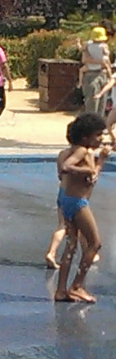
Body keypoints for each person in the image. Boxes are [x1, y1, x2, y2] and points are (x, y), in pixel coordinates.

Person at [54, 113, 110, 303]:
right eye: (98, 135)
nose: (101, 139)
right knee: (95, 243)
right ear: (85, 137)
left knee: (71, 244)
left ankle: (61, 289)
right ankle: (76, 285)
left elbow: (62, 174)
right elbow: (69, 169)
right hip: (77, 202)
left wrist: (97, 162)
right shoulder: (84, 152)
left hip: (64, 199)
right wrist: (92, 167)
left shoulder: (65, 152)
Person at [78, 27, 112, 118]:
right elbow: (106, 57)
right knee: (98, 104)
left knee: (94, 104)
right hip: (99, 73)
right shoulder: (103, 46)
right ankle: (96, 126)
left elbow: (84, 59)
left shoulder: (88, 45)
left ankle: (93, 126)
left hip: (92, 72)